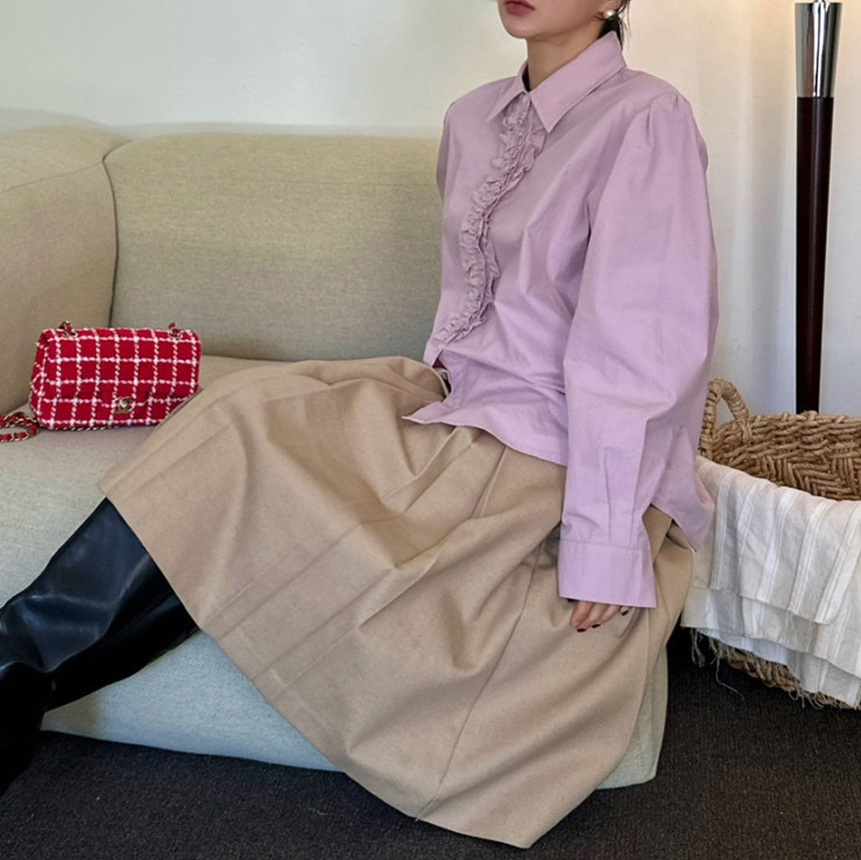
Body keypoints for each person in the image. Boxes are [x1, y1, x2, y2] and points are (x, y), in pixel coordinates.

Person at [0, 0, 718, 848]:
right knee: (240, 415)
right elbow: (470, 305)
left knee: (271, 473)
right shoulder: (473, 118)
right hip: (454, 398)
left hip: (551, 440)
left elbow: (639, 348)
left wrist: (605, 536)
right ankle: (16, 675)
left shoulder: (646, 118)